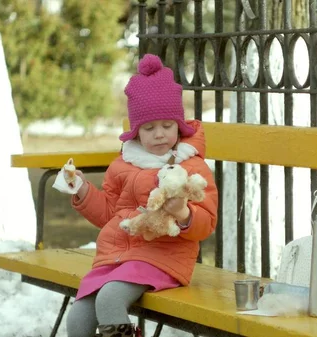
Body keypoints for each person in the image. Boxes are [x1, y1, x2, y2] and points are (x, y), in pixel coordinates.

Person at [65, 54, 219, 337]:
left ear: (179, 126)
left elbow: (206, 223)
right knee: (77, 321)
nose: (159, 134)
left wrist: (183, 214)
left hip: (161, 257)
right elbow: (110, 214)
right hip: (115, 258)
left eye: (167, 126)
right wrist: (84, 192)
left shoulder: (191, 165)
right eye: (149, 128)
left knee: (110, 299)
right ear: (135, 132)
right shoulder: (124, 163)